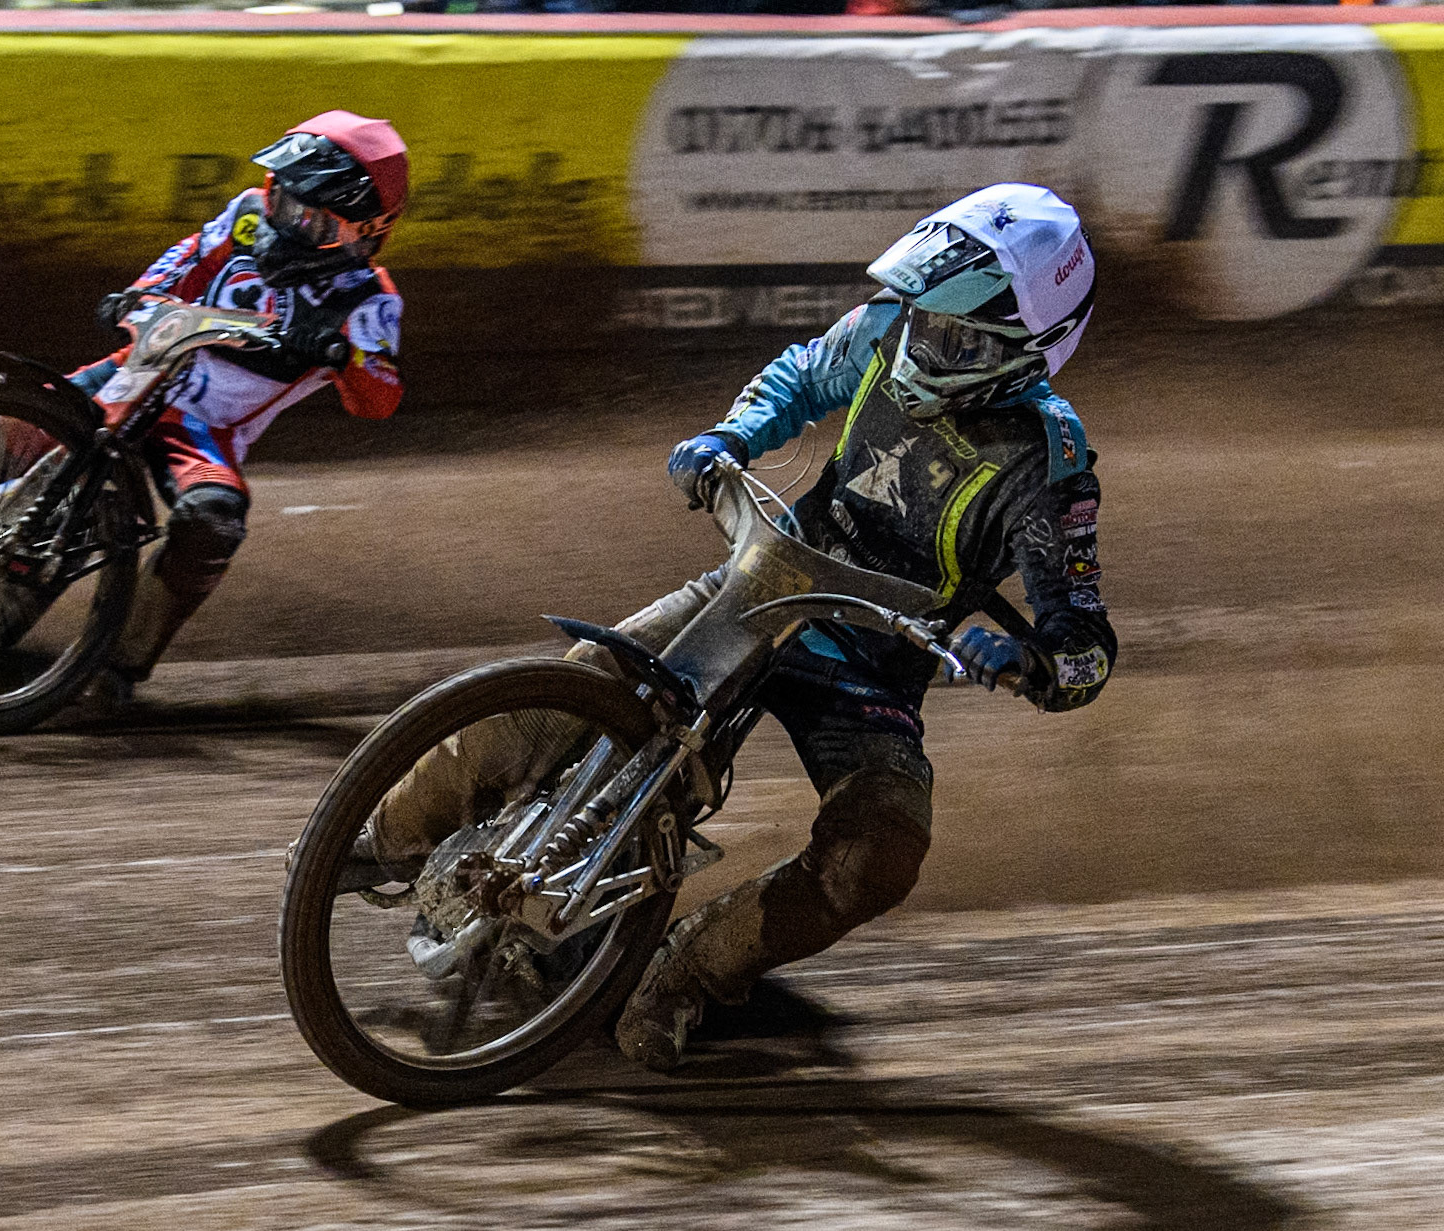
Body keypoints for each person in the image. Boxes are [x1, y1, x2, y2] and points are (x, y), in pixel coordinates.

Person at [353, 182, 1114, 1073]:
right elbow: (798, 374)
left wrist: (1026, 660)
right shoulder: (884, 331)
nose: (919, 339)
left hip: (870, 669)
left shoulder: (1050, 471)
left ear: (1025, 353)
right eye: (920, 313)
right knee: (578, 686)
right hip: (762, 582)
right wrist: (731, 436)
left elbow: (1085, 646)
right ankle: (377, 838)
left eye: (951, 333)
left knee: (882, 851)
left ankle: (688, 974)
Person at [0, 110, 408, 699]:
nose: (288, 217)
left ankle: (119, 665)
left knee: (212, 520)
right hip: (133, 374)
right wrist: (138, 295)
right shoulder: (245, 214)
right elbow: (182, 261)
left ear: (365, 232)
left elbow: (378, 398)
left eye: (313, 215)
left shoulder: (371, 301)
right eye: (286, 197)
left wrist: (339, 353)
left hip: (203, 432)